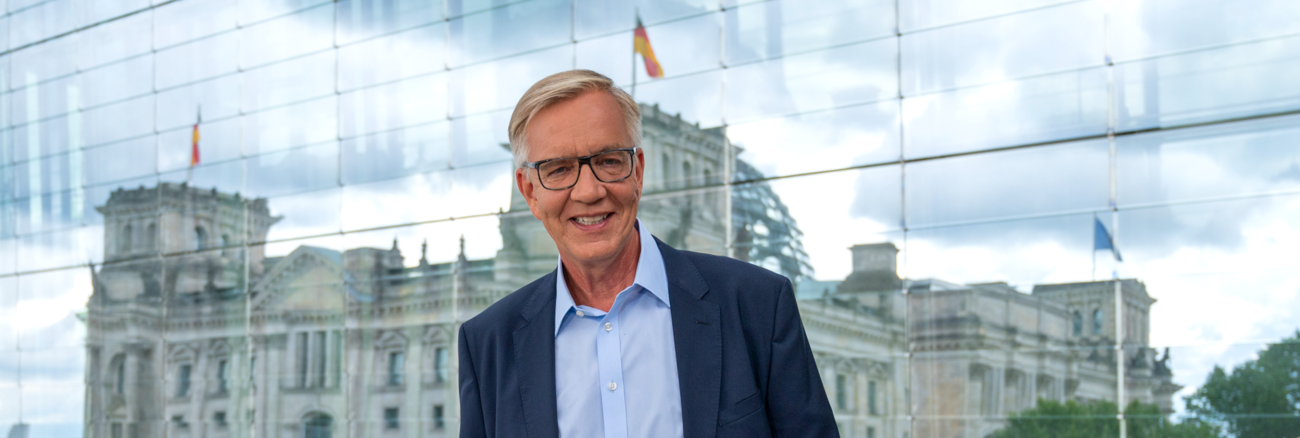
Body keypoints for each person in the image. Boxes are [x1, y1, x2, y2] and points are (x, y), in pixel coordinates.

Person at [457, 70, 837, 438]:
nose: (588, 191)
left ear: (637, 170)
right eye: (558, 170)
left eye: (608, 161)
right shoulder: (488, 343)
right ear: (529, 192)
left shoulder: (757, 305)